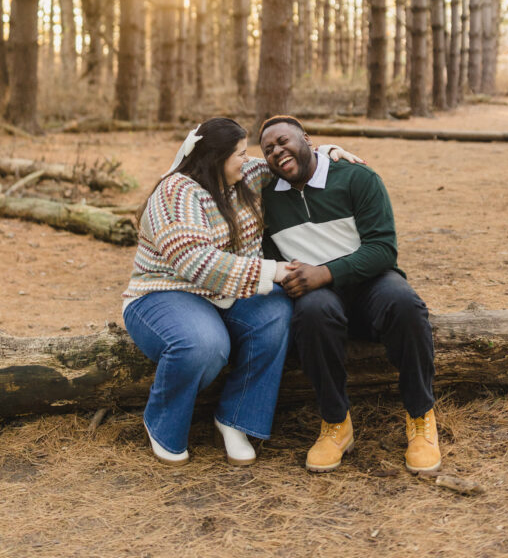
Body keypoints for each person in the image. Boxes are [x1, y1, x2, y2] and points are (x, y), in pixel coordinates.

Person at [122, 117, 356, 467]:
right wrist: (273, 270)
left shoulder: (244, 176)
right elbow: (196, 264)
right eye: (239, 154)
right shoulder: (176, 192)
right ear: (215, 158)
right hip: (165, 293)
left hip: (227, 294)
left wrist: (325, 152)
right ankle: (163, 423)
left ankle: (234, 419)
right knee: (206, 344)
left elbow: (284, 161)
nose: (247, 160)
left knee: (277, 312)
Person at [258, 115, 440, 475]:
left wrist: (324, 273)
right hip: (316, 296)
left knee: (406, 304)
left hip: (370, 282)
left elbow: (383, 249)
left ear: (307, 139)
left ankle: (421, 418)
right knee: (310, 314)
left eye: (283, 141)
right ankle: (336, 423)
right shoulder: (265, 196)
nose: (278, 151)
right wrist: (291, 278)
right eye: (268, 150)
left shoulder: (357, 177)